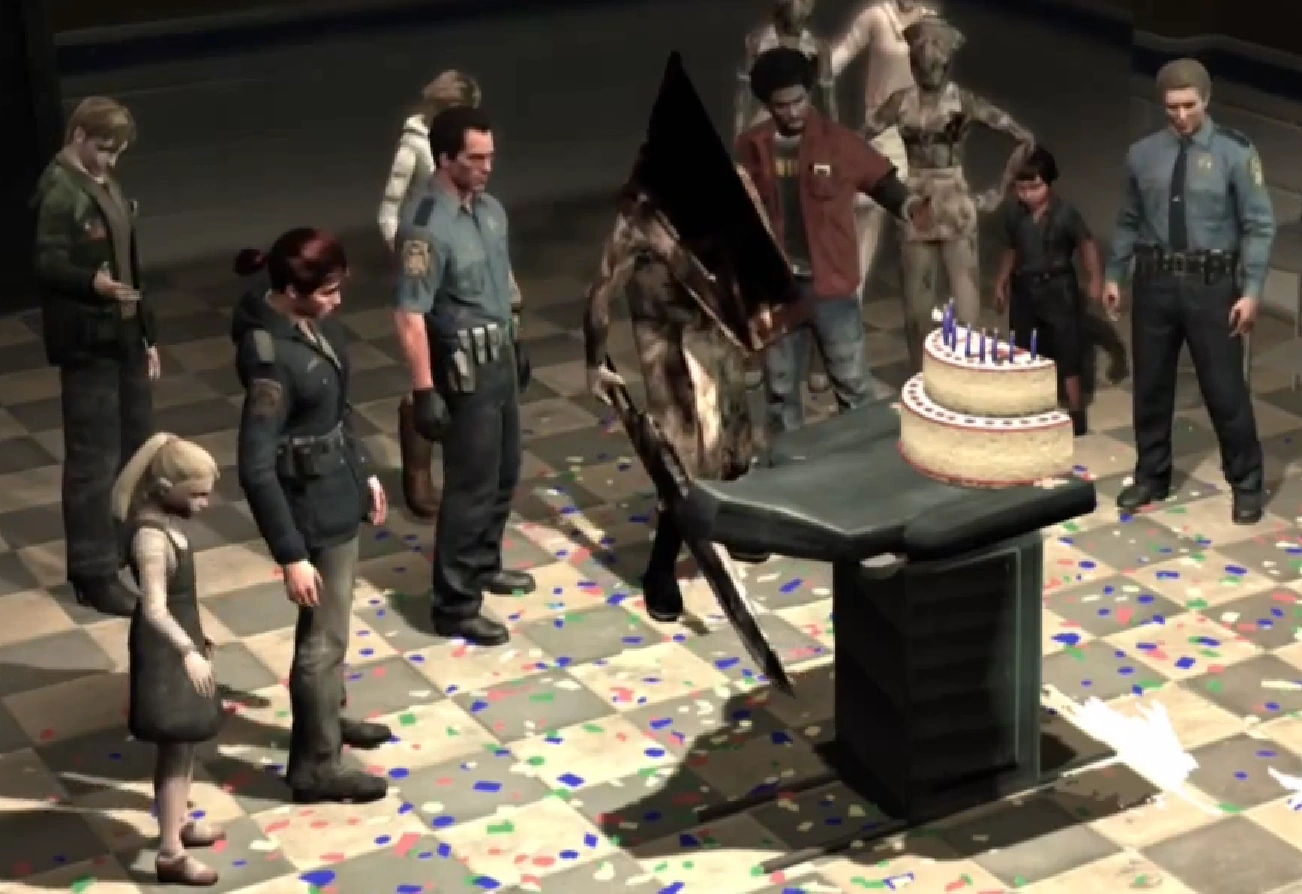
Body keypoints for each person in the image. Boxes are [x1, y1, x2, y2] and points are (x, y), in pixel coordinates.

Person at [232, 229, 393, 804]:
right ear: (292, 291)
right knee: (322, 643)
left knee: (334, 634)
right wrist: (291, 553)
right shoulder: (271, 361)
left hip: (336, 486)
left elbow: (336, 408)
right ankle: (316, 766)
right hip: (311, 510)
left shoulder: (310, 327)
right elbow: (255, 467)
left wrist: (365, 471)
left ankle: (326, 722)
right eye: (326, 291)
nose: (337, 301)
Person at [583, 160, 777, 620]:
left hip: (719, 329)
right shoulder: (642, 210)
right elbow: (604, 287)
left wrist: (759, 311)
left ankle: (732, 526)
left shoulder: (732, 182)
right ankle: (661, 567)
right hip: (665, 336)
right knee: (682, 456)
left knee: (733, 443)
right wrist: (595, 360)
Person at [1104, 58, 1274, 524]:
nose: (1181, 116)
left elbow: (1259, 225)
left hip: (1212, 285)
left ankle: (1246, 483)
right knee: (1151, 386)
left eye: (1189, 105)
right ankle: (1151, 473)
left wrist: (1252, 290)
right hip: (1154, 282)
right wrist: (1115, 273)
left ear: (1207, 99)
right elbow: (1130, 218)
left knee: (1224, 389)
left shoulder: (1235, 152)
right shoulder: (1143, 154)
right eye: (1172, 107)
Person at [392, 105, 532, 647]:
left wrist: (517, 340)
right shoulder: (426, 227)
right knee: (470, 486)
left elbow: (504, 282)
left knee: (504, 470)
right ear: (446, 158)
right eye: (475, 158)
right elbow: (409, 314)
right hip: (462, 368)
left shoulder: (490, 211)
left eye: (490, 156)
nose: (487, 167)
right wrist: (424, 388)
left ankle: (484, 564)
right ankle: (454, 602)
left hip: (499, 357)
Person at [735, 46, 930, 434]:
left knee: (852, 383)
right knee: (780, 391)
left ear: (809, 94)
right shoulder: (751, 147)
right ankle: (790, 464)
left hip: (832, 286)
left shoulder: (837, 142)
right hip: (777, 291)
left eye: (799, 101)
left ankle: (861, 455)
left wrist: (908, 205)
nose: (793, 111)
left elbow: (880, 180)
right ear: (768, 105)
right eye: (782, 105)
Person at [33, 96, 160, 618]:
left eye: (117, 152)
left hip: (123, 334)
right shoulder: (59, 192)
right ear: (79, 135)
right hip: (88, 343)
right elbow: (46, 264)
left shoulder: (105, 183)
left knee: (136, 448)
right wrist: (91, 283)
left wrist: (147, 336)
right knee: (94, 459)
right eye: (104, 148)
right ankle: (93, 569)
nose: (110, 160)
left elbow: (130, 262)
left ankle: (129, 544)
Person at [863, 16, 1035, 371]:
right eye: (921, 63)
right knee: (917, 306)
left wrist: (999, 191)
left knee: (966, 303)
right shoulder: (901, 102)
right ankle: (922, 375)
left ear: (946, 64)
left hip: (952, 203)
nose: (928, 70)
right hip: (917, 204)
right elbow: (856, 143)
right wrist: (881, 181)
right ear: (913, 64)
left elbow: (1024, 138)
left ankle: (964, 374)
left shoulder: (963, 102)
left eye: (935, 63)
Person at [111, 433, 226, 886]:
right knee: (175, 743)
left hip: (180, 641)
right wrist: (187, 650)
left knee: (185, 742)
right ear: (164, 488)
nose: (205, 503)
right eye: (196, 494)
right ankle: (170, 853)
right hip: (164, 653)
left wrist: (198, 636)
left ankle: (176, 823)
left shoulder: (165, 526)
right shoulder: (151, 541)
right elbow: (155, 609)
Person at [378, 70, 482, 519]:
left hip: (462, 261)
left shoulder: (460, 147)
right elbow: (388, 210)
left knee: (465, 357)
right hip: (428, 264)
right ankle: (418, 474)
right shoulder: (415, 146)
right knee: (431, 361)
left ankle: (461, 464)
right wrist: (408, 254)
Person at [735, 0, 838, 395]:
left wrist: (832, 150)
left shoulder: (818, 49)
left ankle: (816, 355)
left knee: (810, 248)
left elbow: (828, 104)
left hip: (804, 151)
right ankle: (758, 350)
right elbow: (743, 100)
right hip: (764, 149)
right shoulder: (757, 42)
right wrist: (739, 151)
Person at [829, 0, 934, 302]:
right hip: (878, 128)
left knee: (878, 217)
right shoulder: (877, 16)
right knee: (861, 204)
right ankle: (838, 283)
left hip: (912, 131)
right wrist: (815, 74)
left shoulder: (930, 22)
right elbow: (843, 53)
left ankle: (854, 296)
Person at [994, 147, 1103, 436]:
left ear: (1049, 183)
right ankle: (1029, 407)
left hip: (1058, 288)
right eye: (1021, 189)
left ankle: (1076, 411)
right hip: (1024, 288)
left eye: (1035, 187)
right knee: (1023, 347)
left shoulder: (1065, 213)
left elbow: (1086, 243)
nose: (1028, 195)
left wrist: (1095, 279)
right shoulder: (1015, 214)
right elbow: (1011, 248)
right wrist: (1002, 281)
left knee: (1068, 351)